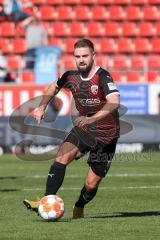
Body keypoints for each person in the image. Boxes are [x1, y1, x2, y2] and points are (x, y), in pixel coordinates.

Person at [23, 39, 120, 219]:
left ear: (93, 56)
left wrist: (92, 118)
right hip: (84, 129)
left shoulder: (102, 76)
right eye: (77, 56)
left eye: (85, 56)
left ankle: (80, 205)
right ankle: (45, 201)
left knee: (91, 184)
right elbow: (54, 86)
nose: (81, 60)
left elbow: (114, 102)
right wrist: (42, 106)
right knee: (62, 156)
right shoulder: (70, 76)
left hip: (107, 134)